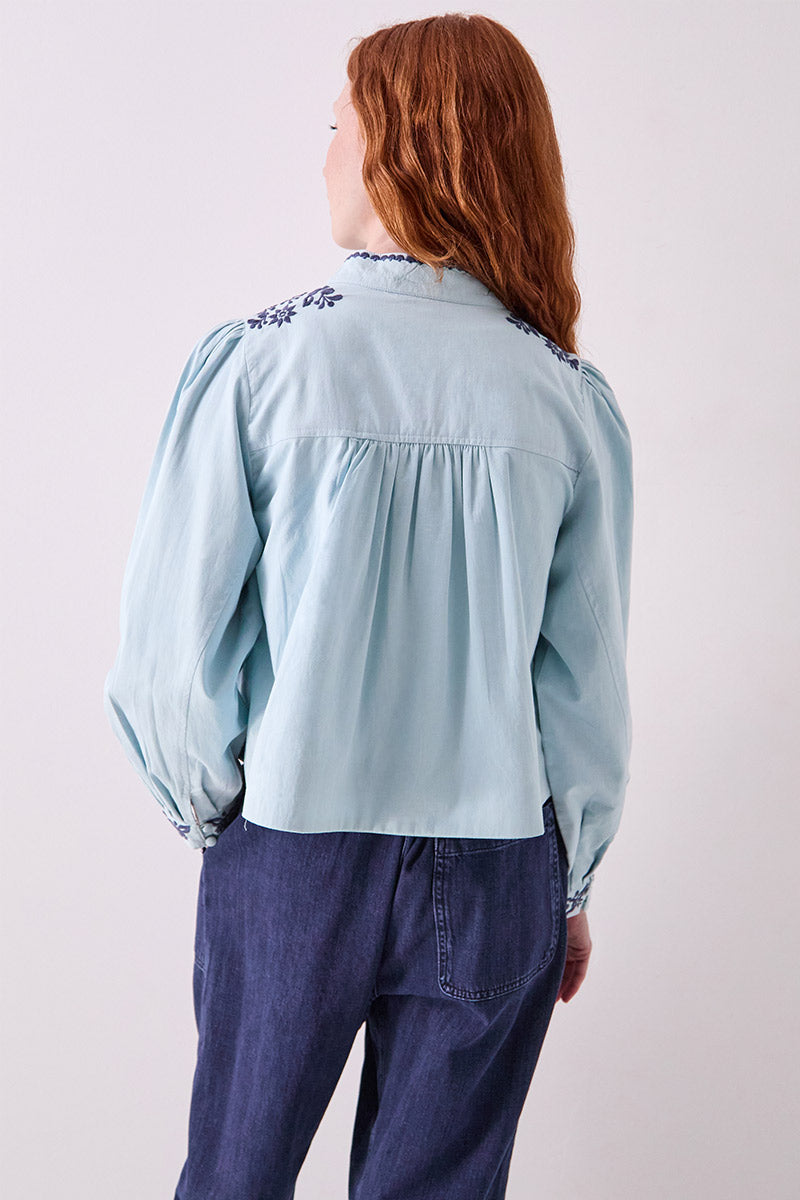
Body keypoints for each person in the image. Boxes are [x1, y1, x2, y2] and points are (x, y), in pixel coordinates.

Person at [103, 13, 633, 1199]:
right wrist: (568, 882)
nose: (324, 155)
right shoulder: (564, 397)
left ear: (398, 142)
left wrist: (222, 818)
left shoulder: (260, 364)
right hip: (499, 866)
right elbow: (583, 690)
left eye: (335, 125)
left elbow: (166, 662)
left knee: (232, 1180)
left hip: (292, 844)